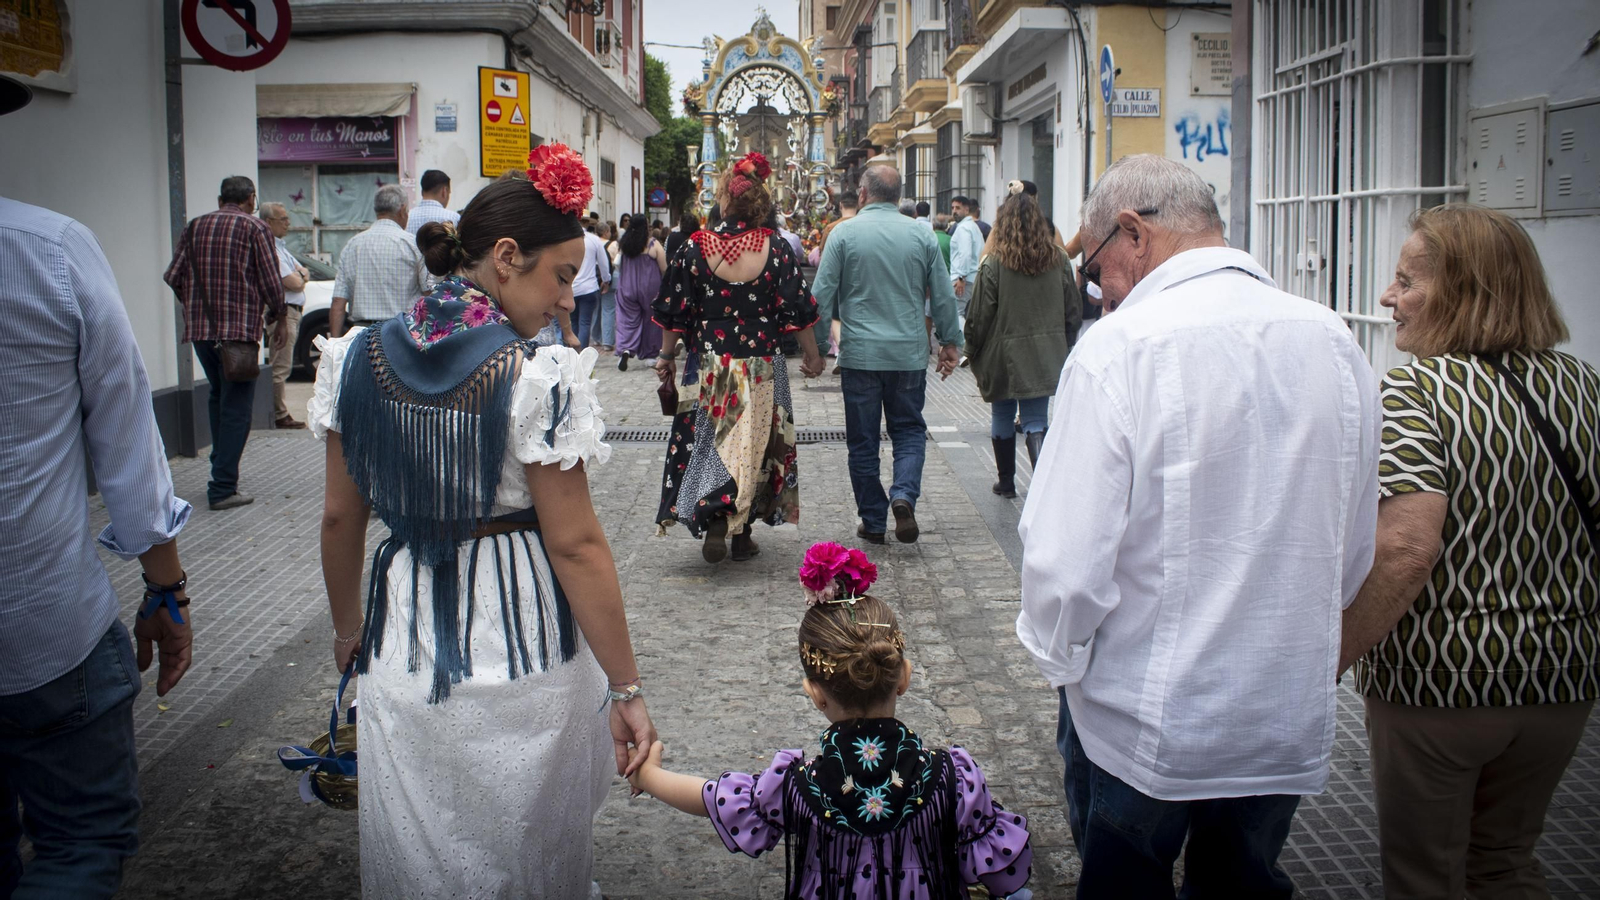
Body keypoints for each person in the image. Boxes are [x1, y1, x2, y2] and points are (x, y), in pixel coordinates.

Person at [1015, 155, 1380, 899]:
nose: (1098, 289)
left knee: (1125, 883)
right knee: (1242, 884)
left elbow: (1063, 564)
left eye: (1095, 268)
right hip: (1276, 707)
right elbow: (1351, 548)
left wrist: (1062, 661)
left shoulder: (1117, 350)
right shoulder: (1335, 340)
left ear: (1133, 234)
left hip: (1144, 714)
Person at [311, 143, 656, 899]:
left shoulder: (354, 359)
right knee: (528, 859)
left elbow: (342, 518)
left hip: (405, 641)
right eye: (562, 276)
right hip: (521, 640)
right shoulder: (536, 378)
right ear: (506, 257)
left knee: (422, 851)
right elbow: (576, 543)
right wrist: (627, 688)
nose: (570, 298)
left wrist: (348, 638)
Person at [1338, 204, 1599, 899]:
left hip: (1441, 687)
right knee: (1506, 865)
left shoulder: (1415, 392)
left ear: (1464, 291)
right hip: (1562, 681)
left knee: (1427, 878)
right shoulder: (1582, 387)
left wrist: (1328, 657)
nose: (1388, 298)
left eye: (1405, 281)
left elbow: (1406, 551)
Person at [628, 542, 1034, 899]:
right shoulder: (954, 779)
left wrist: (648, 776)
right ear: (904, 677)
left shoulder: (797, 785)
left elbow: (716, 799)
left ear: (815, 693)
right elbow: (1000, 874)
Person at [0, 181, 196, 899]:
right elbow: (127, 447)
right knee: (79, 843)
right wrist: (166, 591)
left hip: (46, 630)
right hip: (42, 629)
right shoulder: (47, 246)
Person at [652, 152, 825, 562]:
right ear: (760, 203)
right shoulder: (777, 248)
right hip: (762, 360)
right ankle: (742, 531)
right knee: (757, 443)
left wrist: (666, 357)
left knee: (711, 441)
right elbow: (799, 308)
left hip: (709, 360)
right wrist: (814, 356)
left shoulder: (695, 248)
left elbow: (674, 309)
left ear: (724, 202)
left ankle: (715, 512)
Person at [812, 166, 962, 545]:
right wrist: (949, 341)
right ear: (898, 197)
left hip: (860, 354)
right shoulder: (920, 235)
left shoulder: (843, 233)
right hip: (908, 354)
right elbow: (942, 294)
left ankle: (874, 520)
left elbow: (822, 294)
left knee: (862, 441)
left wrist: (815, 348)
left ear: (862, 194)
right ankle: (903, 496)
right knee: (909, 430)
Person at [162, 175, 288, 510]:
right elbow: (270, 280)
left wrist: (195, 305)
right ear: (250, 198)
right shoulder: (254, 228)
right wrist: (278, 316)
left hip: (202, 332)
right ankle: (222, 487)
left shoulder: (194, 227)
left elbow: (173, 276)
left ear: (221, 200)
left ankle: (221, 469)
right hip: (240, 332)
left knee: (218, 396)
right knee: (237, 407)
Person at [964, 195, 1081, 498]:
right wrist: (1065, 346)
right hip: (1045, 353)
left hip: (1002, 354)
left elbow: (980, 314)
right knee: (1036, 419)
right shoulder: (1058, 259)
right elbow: (1072, 311)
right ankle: (1043, 487)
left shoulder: (994, 263)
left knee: (1001, 415)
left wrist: (971, 348)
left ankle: (1006, 482)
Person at [330, 184, 428, 336]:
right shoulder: (413, 244)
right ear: (402, 210)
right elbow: (429, 293)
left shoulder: (352, 245)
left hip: (362, 333)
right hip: (403, 332)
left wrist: (334, 343)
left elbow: (338, 302)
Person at [260, 202, 308, 429]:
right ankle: (279, 414)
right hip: (283, 312)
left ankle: (279, 411)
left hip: (291, 312)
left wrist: (300, 277)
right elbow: (295, 282)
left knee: (283, 364)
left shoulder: (281, 247)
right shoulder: (270, 249)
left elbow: (303, 271)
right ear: (269, 223)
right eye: (283, 219)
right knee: (280, 366)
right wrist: (299, 278)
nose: (288, 223)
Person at [612, 215, 666, 371]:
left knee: (627, 319)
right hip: (650, 288)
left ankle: (626, 348)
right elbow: (664, 268)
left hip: (627, 286)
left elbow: (617, 263)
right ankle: (650, 355)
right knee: (651, 320)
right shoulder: (653, 244)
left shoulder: (624, 244)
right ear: (646, 225)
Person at [571, 218, 611, 350]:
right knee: (585, 323)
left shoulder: (567, 239)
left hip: (570, 288)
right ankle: (582, 354)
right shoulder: (593, 240)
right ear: (587, 224)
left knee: (573, 323)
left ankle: (572, 354)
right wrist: (606, 280)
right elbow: (603, 263)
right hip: (588, 287)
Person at [948, 196, 983, 318]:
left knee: (956, 314)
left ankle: (961, 338)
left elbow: (965, 254)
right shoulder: (973, 226)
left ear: (967, 210)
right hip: (973, 277)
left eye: (958, 208)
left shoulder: (963, 228)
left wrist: (961, 278)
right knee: (965, 315)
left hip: (963, 279)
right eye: (952, 208)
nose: (954, 211)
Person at [406, 169, 459, 236]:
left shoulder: (407, 217)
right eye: (449, 193)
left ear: (422, 192)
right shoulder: (454, 218)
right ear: (444, 191)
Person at [597, 221, 619, 353]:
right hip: (610, 278)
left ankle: (596, 337)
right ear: (606, 232)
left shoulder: (592, 242)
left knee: (595, 311)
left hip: (594, 278)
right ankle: (607, 341)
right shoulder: (614, 244)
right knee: (608, 310)